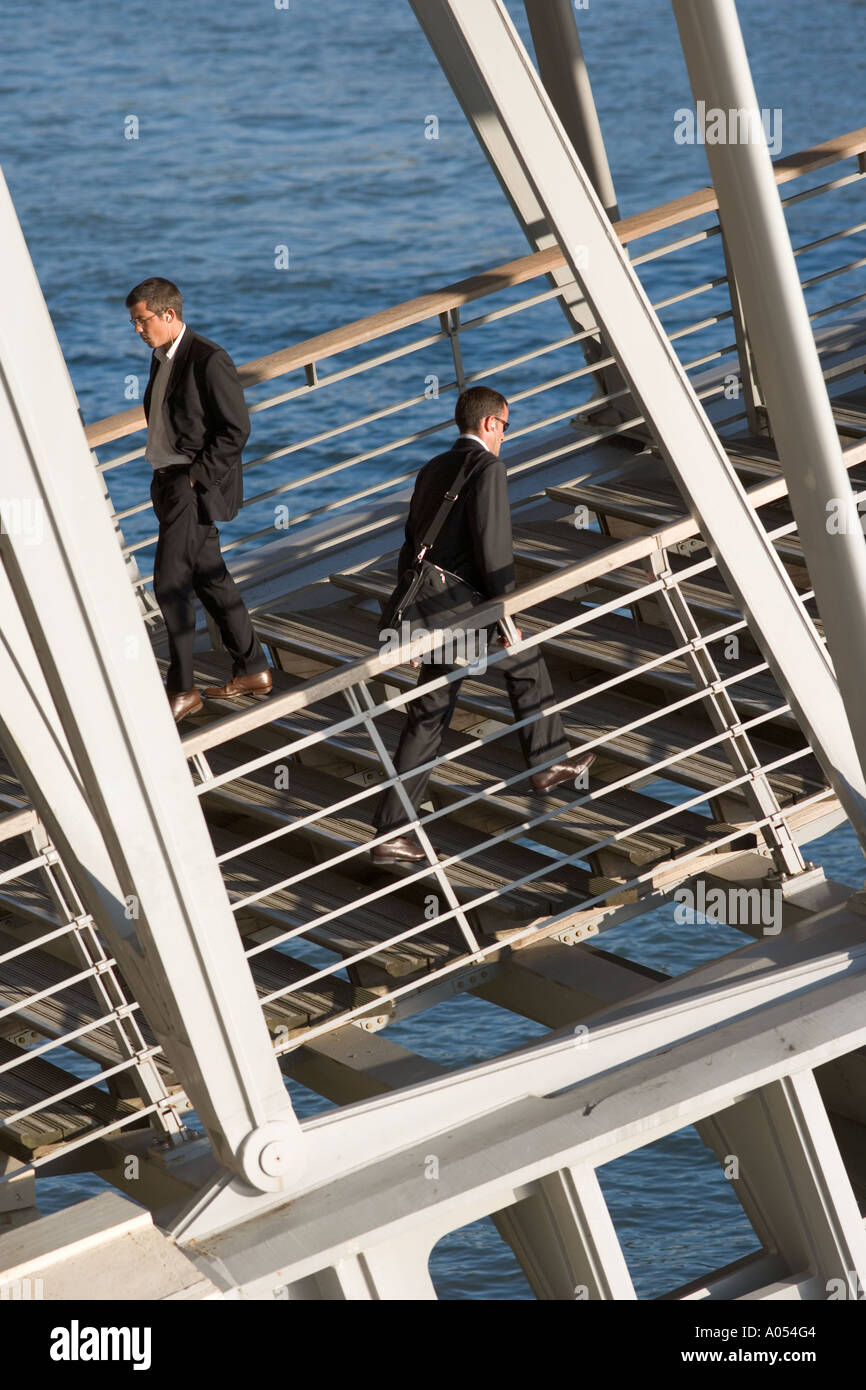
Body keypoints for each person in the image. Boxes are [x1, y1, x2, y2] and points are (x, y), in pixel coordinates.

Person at [371, 384, 595, 864]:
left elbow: (412, 544)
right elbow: (494, 546)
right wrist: (505, 611)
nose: (505, 439)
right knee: (520, 663)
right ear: (491, 423)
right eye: (506, 428)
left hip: (430, 607)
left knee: (430, 715)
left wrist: (408, 618)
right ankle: (548, 764)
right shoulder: (488, 467)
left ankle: (392, 831)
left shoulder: (433, 468)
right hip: (465, 609)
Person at [126, 278, 272, 722]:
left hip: (188, 485)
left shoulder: (209, 358)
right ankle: (252, 667)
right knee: (210, 577)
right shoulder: (160, 357)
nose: (137, 329)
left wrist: (195, 479)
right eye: (133, 321)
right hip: (167, 482)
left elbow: (236, 429)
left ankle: (183, 688)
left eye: (141, 320)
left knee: (170, 584)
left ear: (168, 315)